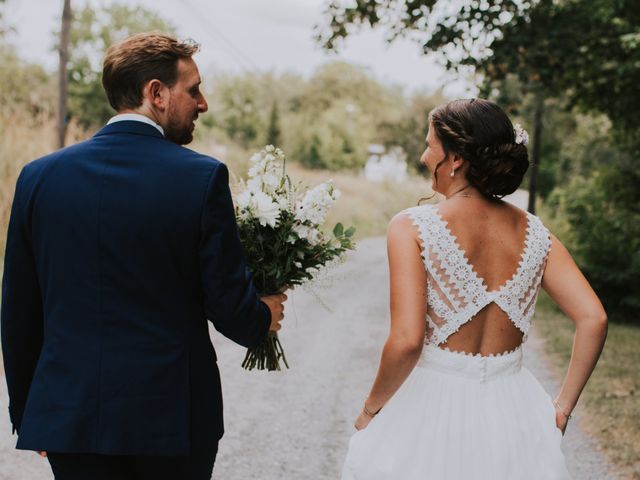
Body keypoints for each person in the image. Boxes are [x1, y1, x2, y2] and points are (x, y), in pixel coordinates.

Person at [1, 32, 286, 480]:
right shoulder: (202, 178)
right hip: (170, 423)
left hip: (69, 418)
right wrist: (262, 317)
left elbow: (18, 311)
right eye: (192, 90)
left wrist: (31, 412)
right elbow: (229, 308)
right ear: (155, 93)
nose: (203, 103)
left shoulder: (38, 178)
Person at [341, 98, 607, 479]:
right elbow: (594, 318)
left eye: (430, 145)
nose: (423, 156)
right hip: (515, 412)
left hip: (430, 408)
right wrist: (562, 409)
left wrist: (371, 410)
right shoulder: (535, 233)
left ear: (455, 160)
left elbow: (406, 341)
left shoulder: (412, 226)